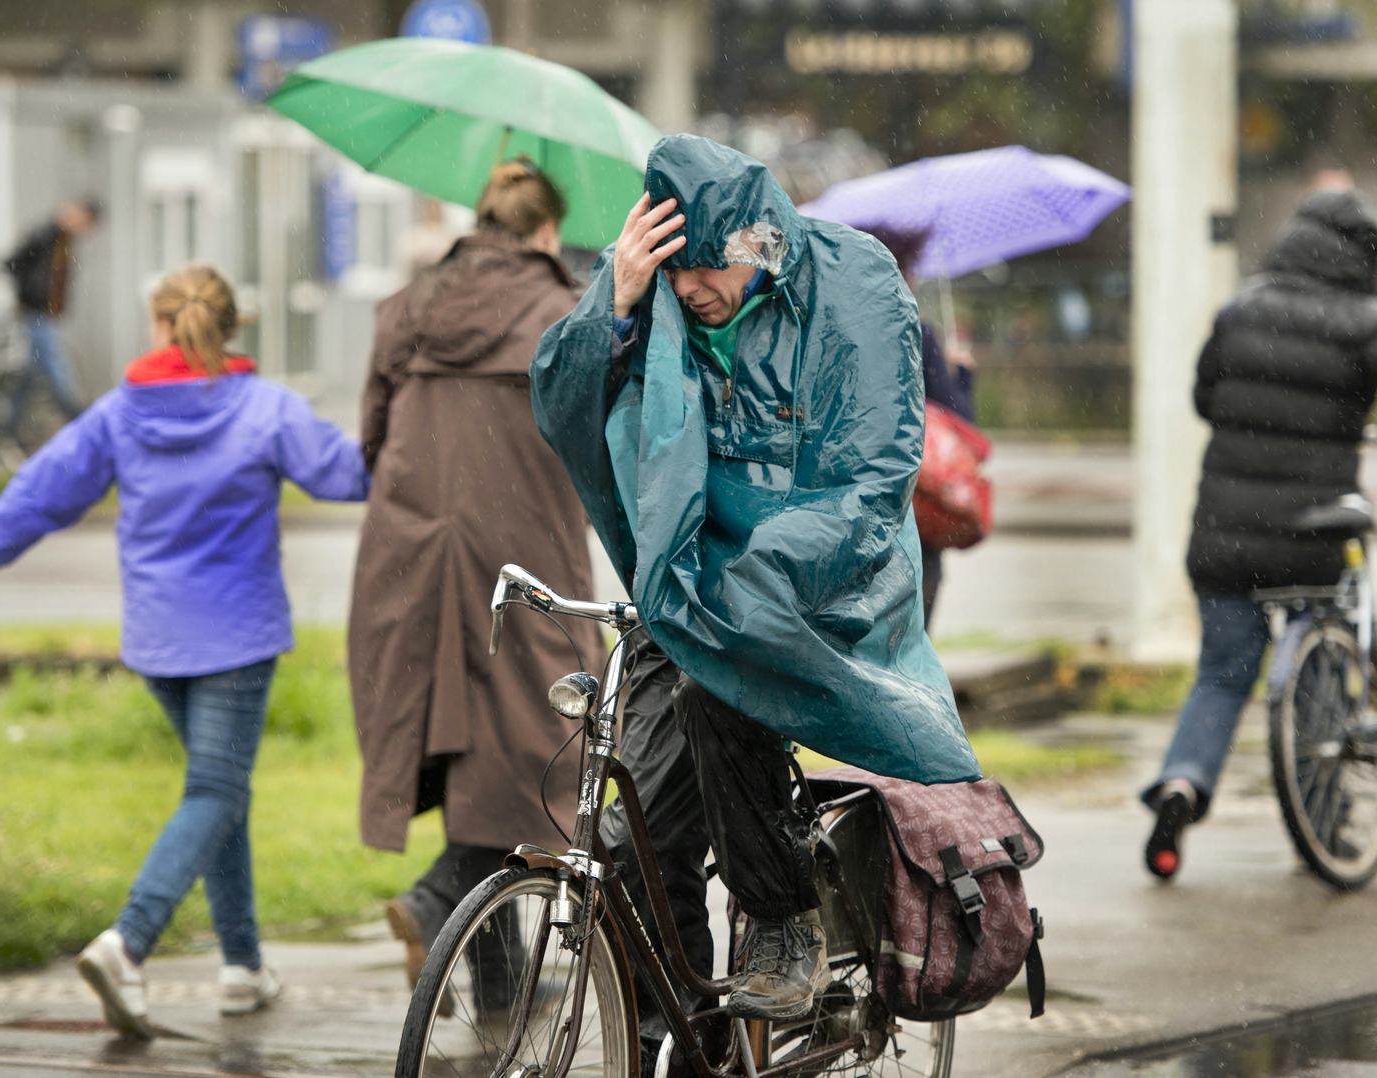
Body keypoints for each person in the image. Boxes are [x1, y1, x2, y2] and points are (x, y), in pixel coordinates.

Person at [532, 135, 978, 1047]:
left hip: (827, 586)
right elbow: (561, 407)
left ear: (756, 246)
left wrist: (759, 578)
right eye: (674, 269)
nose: (690, 288)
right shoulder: (647, 281)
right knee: (631, 843)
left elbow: (873, 480)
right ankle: (676, 1046)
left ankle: (784, 924)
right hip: (687, 592)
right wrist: (613, 305)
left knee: (720, 698)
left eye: (707, 269)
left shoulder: (854, 285)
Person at [0, 264, 370, 1036]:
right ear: (229, 327)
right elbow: (351, 475)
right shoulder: (266, 409)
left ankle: (242, 964)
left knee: (218, 791)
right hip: (236, 640)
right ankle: (127, 943)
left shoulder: (120, 414)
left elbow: (35, 498)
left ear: (160, 325)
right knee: (216, 792)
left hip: (159, 643)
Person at [349, 159, 607, 998]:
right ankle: (437, 902)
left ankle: (494, 977)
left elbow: (369, 438)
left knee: (467, 750)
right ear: (546, 231)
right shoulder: (562, 310)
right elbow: (596, 438)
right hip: (521, 545)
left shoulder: (410, 305)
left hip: (409, 548)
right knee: (539, 746)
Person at [1142, 190, 1377, 882]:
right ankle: (1325, 815)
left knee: (1222, 674)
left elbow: (1205, 398)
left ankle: (1182, 783)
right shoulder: (1364, 320)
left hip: (1223, 537)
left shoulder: (1242, 308)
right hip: (1311, 533)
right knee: (1322, 659)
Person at [870, 227, 978, 628]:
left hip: (858, 506)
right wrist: (963, 375)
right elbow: (958, 420)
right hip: (913, 501)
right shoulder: (916, 330)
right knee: (914, 630)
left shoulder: (837, 330)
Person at [1, 199, 103, 443]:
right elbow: (12, 263)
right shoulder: (47, 235)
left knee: (32, 371)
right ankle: (81, 420)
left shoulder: (65, 240)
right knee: (56, 370)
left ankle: (6, 427)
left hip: (45, 315)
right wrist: (28, 296)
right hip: (36, 314)